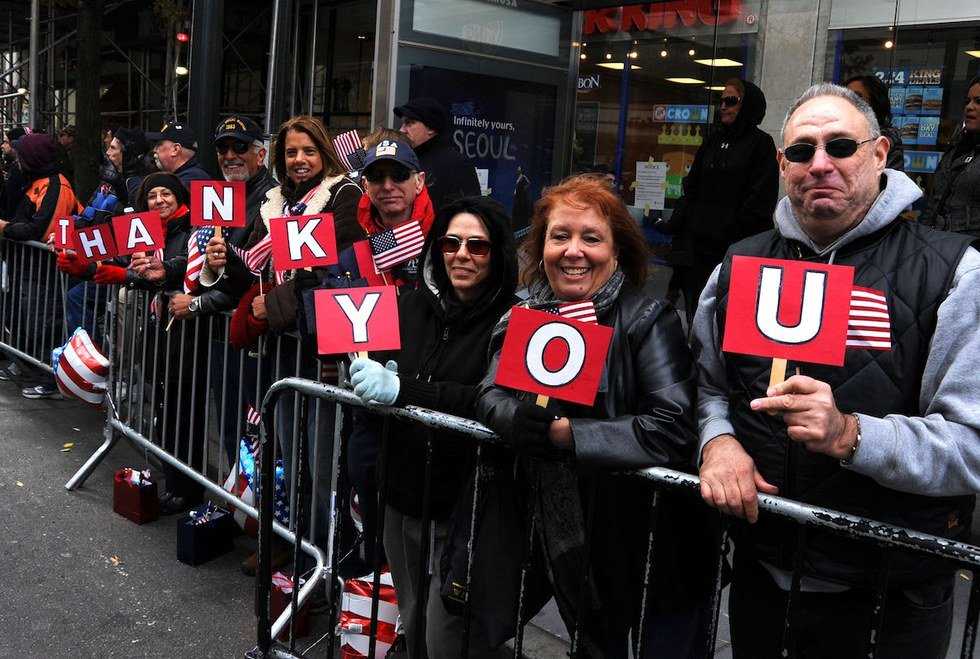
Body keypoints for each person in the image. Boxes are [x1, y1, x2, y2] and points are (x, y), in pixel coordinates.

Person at [694, 83, 980, 658]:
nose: (819, 164)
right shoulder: (739, 263)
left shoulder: (956, 271)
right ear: (782, 165)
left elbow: (970, 447)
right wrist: (717, 442)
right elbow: (706, 387)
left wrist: (852, 435)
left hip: (889, 598)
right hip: (762, 577)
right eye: (801, 151)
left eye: (841, 145)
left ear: (880, 154)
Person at [477, 175, 705, 656]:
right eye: (560, 236)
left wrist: (566, 435)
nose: (573, 251)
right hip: (531, 516)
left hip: (624, 533)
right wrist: (512, 419)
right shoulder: (523, 314)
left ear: (616, 252)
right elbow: (489, 392)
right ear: (540, 249)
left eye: (591, 238)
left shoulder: (647, 320)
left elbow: (671, 426)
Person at [347, 196, 517, 657]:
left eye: (477, 247)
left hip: (464, 506)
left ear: (496, 253)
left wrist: (403, 391)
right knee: (414, 612)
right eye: (451, 243)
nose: (462, 254)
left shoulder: (515, 319)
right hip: (401, 495)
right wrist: (357, 380)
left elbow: (488, 400)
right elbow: (377, 376)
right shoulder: (409, 304)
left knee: (450, 635)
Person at [663, 78, 779, 324]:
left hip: (735, 247)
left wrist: (731, 231)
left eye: (731, 101)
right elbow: (692, 186)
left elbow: (760, 198)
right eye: (721, 100)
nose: (723, 106)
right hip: (698, 248)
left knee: (730, 316)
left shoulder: (761, 144)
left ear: (747, 105)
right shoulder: (713, 140)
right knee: (697, 312)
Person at [920, 76, 980, 237]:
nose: (969, 107)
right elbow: (934, 201)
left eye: (978, 101)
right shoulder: (957, 145)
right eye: (967, 101)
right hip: (938, 245)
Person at [394, 97, 480, 209]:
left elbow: (470, 212)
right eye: (403, 124)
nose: (402, 130)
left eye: (409, 123)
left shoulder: (456, 164)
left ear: (431, 128)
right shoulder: (404, 159)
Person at [845, 74, 904, 171]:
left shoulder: (886, 137)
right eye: (845, 97)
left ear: (875, 103)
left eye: (856, 97)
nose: (848, 102)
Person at [145, 120, 211, 184]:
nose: (154, 150)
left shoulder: (192, 179)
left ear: (175, 149)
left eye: (158, 145)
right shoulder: (189, 176)